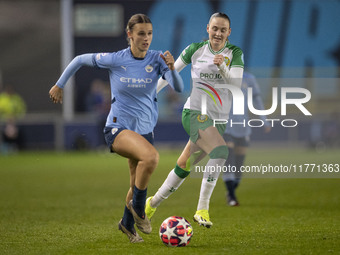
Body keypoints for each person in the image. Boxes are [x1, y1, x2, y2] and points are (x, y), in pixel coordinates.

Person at [49, 14, 184, 243]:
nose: (146, 38)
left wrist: (172, 68)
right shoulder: (114, 59)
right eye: (141, 33)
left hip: (144, 131)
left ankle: (127, 224)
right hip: (117, 128)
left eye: (149, 33)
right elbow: (79, 60)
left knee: (136, 182)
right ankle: (140, 211)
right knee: (151, 158)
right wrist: (59, 85)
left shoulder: (157, 59)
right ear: (129, 34)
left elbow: (178, 87)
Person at [145, 12, 244, 228]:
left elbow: (236, 86)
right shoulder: (195, 49)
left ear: (229, 32)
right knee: (220, 152)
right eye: (214, 28)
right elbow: (170, 74)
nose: (218, 33)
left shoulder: (234, 53)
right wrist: (149, 95)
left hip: (218, 122)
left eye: (223, 29)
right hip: (195, 114)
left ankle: (151, 205)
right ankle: (202, 209)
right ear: (207, 28)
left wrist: (223, 68)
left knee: (184, 165)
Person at [223, 72, 271, 206]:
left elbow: (257, 99)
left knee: (239, 164)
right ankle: (232, 196)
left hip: (242, 126)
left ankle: (232, 189)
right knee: (229, 158)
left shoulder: (249, 79)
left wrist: (264, 120)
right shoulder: (221, 75)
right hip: (225, 125)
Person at [0, 85, 26, 153]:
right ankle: (5, 147)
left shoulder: (16, 98)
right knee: (5, 133)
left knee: (15, 133)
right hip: (4, 121)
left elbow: (21, 108)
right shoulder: (2, 98)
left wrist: (16, 117)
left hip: (15, 121)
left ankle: (15, 147)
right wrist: (5, 117)